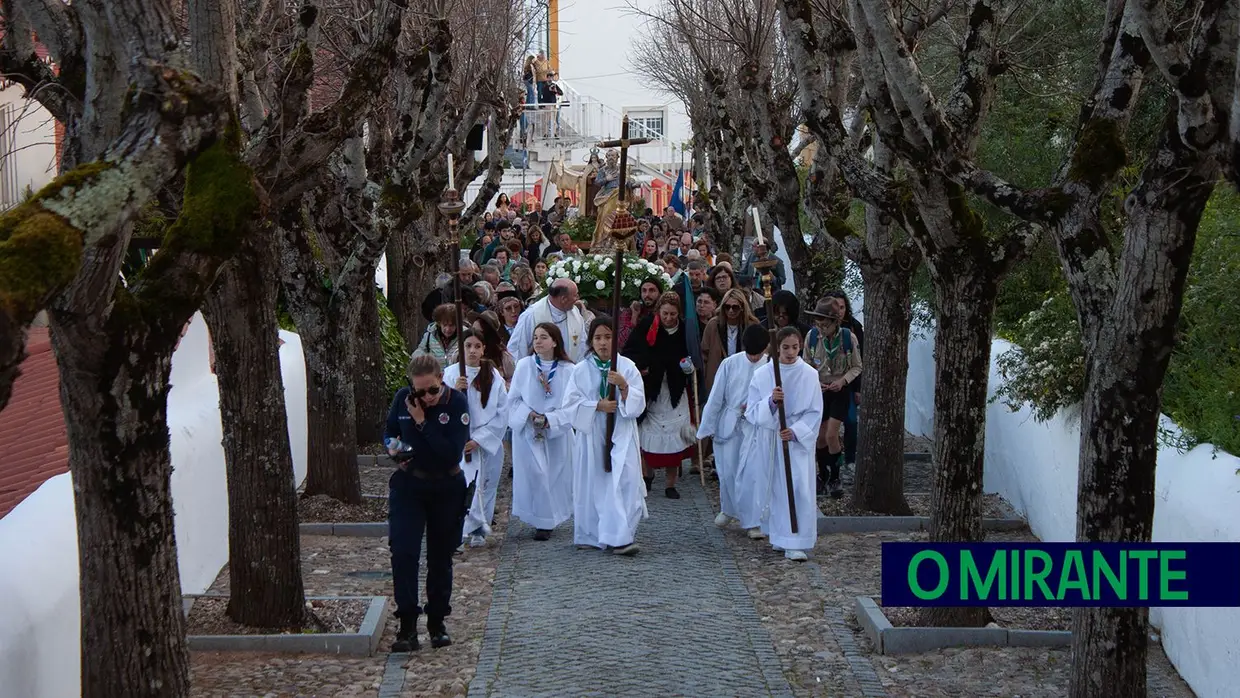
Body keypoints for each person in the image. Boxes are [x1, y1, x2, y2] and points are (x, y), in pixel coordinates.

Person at [383, 354, 470, 651]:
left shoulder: (456, 403)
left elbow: (451, 453)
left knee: (440, 555)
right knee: (404, 552)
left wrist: (422, 423)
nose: (427, 397)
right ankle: (407, 624)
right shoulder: (401, 400)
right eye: (420, 392)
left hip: (445, 485)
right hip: (410, 484)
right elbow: (389, 434)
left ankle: (437, 621)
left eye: (432, 390)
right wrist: (398, 451)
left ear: (440, 380)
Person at [562, 316, 648, 555]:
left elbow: (638, 404)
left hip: (620, 431)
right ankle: (596, 533)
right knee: (596, 483)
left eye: (608, 337)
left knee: (624, 480)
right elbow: (569, 405)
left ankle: (622, 533)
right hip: (593, 434)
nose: (603, 343)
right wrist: (596, 406)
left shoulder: (627, 367)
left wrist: (623, 387)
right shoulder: (580, 370)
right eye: (598, 338)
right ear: (591, 341)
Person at [744, 327, 823, 561]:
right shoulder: (762, 375)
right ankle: (781, 536)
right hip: (771, 438)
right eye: (786, 347)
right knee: (775, 488)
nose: (790, 352)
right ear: (776, 348)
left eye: (795, 347)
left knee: (797, 487)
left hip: (796, 442)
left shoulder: (809, 374)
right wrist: (770, 402)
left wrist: (796, 431)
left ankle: (796, 539)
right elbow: (751, 410)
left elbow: (815, 411)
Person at [623, 291, 696, 499]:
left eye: (673, 314)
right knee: (648, 433)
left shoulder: (684, 330)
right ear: (659, 311)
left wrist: (689, 367)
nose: (669, 318)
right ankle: (647, 476)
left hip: (675, 388)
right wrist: (643, 366)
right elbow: (631, 351)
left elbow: (691, 352)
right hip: (652, 389)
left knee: (674, 434)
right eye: (665, 313)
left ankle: (671, 484)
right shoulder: (647, 325)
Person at [507, 323, 575, 540]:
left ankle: (553, 517)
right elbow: (514, 399)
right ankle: (542, 521)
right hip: (529, 430)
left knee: (554, 474)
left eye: (543, 337)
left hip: (555, 432)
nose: (537, 341)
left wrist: (551, 420)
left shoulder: (568, 370)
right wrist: (529, 414)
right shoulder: (525, 366)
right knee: (536, 474)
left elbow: (572, 405)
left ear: (555, 341)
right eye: (535, 337)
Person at [698, 325, 769, 531]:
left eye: (758, 354)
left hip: (755, 425)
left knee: (751, 473)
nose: (754, 358)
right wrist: (706, 428)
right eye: (751, 354)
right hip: (730, 422)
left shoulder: (770, 366)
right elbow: (716, 397)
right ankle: (728, 508)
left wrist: (758, 404)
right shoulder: (730, 364)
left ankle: (753, 520)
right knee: (727, 469)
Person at [442, 331, 508, 549]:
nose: (472, 350)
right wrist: (455, 392)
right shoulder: (450, 374)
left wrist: (479, 439)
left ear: (483, 349)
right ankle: (457, 531)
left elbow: (501, 411)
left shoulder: (493, 375)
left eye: (477, 346)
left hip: (485, 438)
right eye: (468, 345)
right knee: (461, 486)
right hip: (459, 441)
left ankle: (479, 528)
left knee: (486, 484)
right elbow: (441, 409)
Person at [803, 300, 862, 498]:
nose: (821, 328)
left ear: (835, 322)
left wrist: (843, 381)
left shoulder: (848, 338)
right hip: (819, 390)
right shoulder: (811, 337)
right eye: (818, 324)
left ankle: (836, 477)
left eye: (825, 324)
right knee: (820, 436)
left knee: (831, 434)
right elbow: (806, 364)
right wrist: (814, 380)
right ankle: (823, 474)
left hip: (839, 390)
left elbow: (857, 367)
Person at [507, 278, 587, 362]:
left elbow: (583, 345)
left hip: (570, 371)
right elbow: (516, 349)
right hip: (541, 372)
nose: (577, 298)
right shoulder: (531, 315)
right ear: (563, 299)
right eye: (575, 295)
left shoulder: (575, 313)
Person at [701, 288, 760, 395]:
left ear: (742, 308)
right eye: (727, 307)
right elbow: (704, 354)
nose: (731, 310)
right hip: (717, 377)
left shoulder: (752, 325)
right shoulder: (713, 325)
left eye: (735, 307)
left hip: (744, 378)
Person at [415, 304, 460, 368]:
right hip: (435, 376)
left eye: (451, 325)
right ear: (439, 323)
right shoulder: (429, 335)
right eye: (445, 325)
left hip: (455, 376)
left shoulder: (464, 336)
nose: (448, 329)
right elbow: (420, 350)